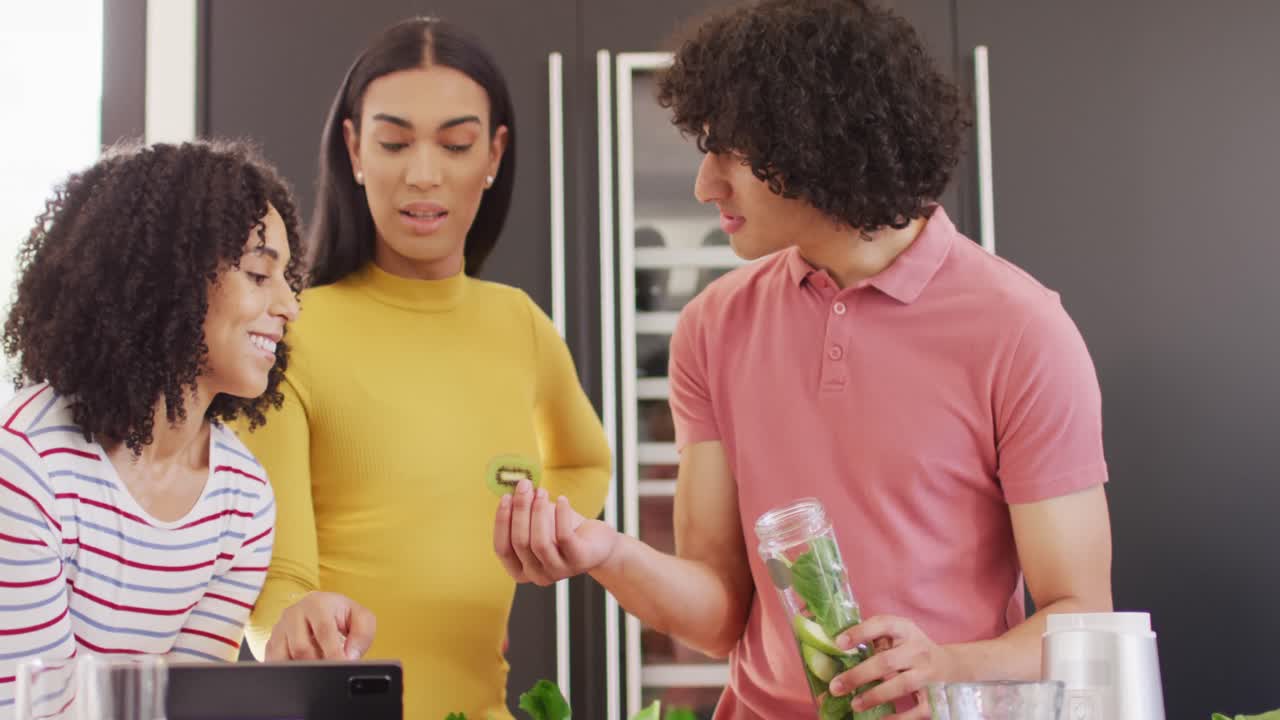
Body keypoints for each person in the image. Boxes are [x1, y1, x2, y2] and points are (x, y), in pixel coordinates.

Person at [494, 0, 1113, 717]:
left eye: (732, 152)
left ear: (820, 140)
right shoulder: (714, 326)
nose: (706, 184)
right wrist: (604, 552)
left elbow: (1081, 619)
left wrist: (945, 665)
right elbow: (720, 613)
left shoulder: (1021, 330)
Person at [236, 17, 611, 719]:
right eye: (394, 141)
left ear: (494, 154)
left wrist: (533, 538)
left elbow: (586, 464)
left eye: (458, 143)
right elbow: (276, 583)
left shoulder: (519, 324)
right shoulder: (294, 331)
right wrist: (295, 625)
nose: (424, 174)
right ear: (353, 148)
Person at [0, 141, 302, 718]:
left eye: (287, 277)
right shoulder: (24, 465)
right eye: (260, 272)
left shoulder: (243, 498)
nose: (289, 304)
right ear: (174, 281)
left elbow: (183, 708)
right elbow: (31, 710)